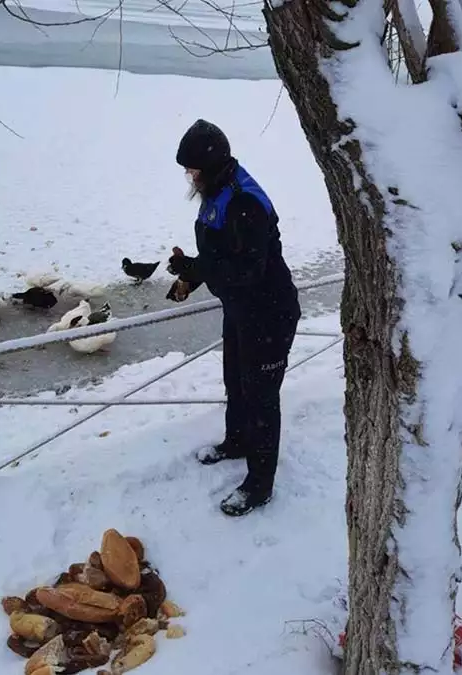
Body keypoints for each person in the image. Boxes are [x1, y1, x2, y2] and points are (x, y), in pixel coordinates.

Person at [166, 119, 301, 517]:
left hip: (268, 312)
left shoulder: (244, 201)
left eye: (192, 169)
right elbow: (219, 256)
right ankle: (237, 440)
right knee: (236, 382)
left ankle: (260, 485)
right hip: (241, 308)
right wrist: (190, 273)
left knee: (261, 398)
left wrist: (200, 269)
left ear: (211, 166)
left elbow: (247, 270)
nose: (189, 176)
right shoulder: (217, 190)